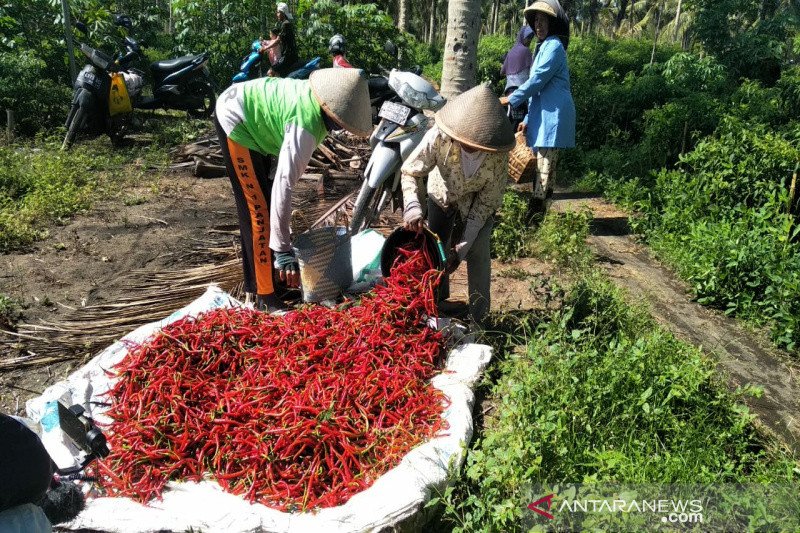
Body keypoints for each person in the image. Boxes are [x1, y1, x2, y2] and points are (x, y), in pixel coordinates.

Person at [214, 69, 372, 312]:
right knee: (258, 212)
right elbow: (283, 185)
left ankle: (260, 282)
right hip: (236, 120)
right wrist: (283, 250)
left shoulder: (313, 102)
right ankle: (265, 295)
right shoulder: (306, 125)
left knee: (261, 207)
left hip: (255, 125)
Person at [401, 84, 515, 324]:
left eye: (475, 143)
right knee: (436, 253)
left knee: (479, 254)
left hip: (475, 205)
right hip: (441, 195)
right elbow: (411, 171)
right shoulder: (441, 136)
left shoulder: (496, 156)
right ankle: (437, 305)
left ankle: (479, 317)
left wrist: (462, 248)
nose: (468, 145)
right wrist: (412, 205)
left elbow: (485, 205)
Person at [501, 0, 575, 216]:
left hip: (554, 115)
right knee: (544, 166)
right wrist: (526, 119)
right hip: (543, 114)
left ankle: (535, 215)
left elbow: (537, 81)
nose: (538, 25)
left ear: (551, 24)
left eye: (543, 21)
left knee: (545, 167)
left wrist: (511, 99)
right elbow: (535, 86)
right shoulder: (542, 47)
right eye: (536, 21)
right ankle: (541, 212)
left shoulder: (554, 46)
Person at [263, 2, 298, 77]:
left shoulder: (286, 24)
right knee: (279, 74)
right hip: (288, 55)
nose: (277, 14)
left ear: (283, 13)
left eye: (278, 12)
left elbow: (277, 40)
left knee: (270, 72)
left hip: (288, 56)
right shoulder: (284, 24)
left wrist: (265, 48)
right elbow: (276, 38)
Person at [500, 26, 535, 91]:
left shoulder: (510, 52)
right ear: (522, 37)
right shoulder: (526, 50)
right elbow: (533, 70)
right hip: (521, 90)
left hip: (508, 90)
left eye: (531, 38)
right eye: (528, 37)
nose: (530, 40)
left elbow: (502, 72)